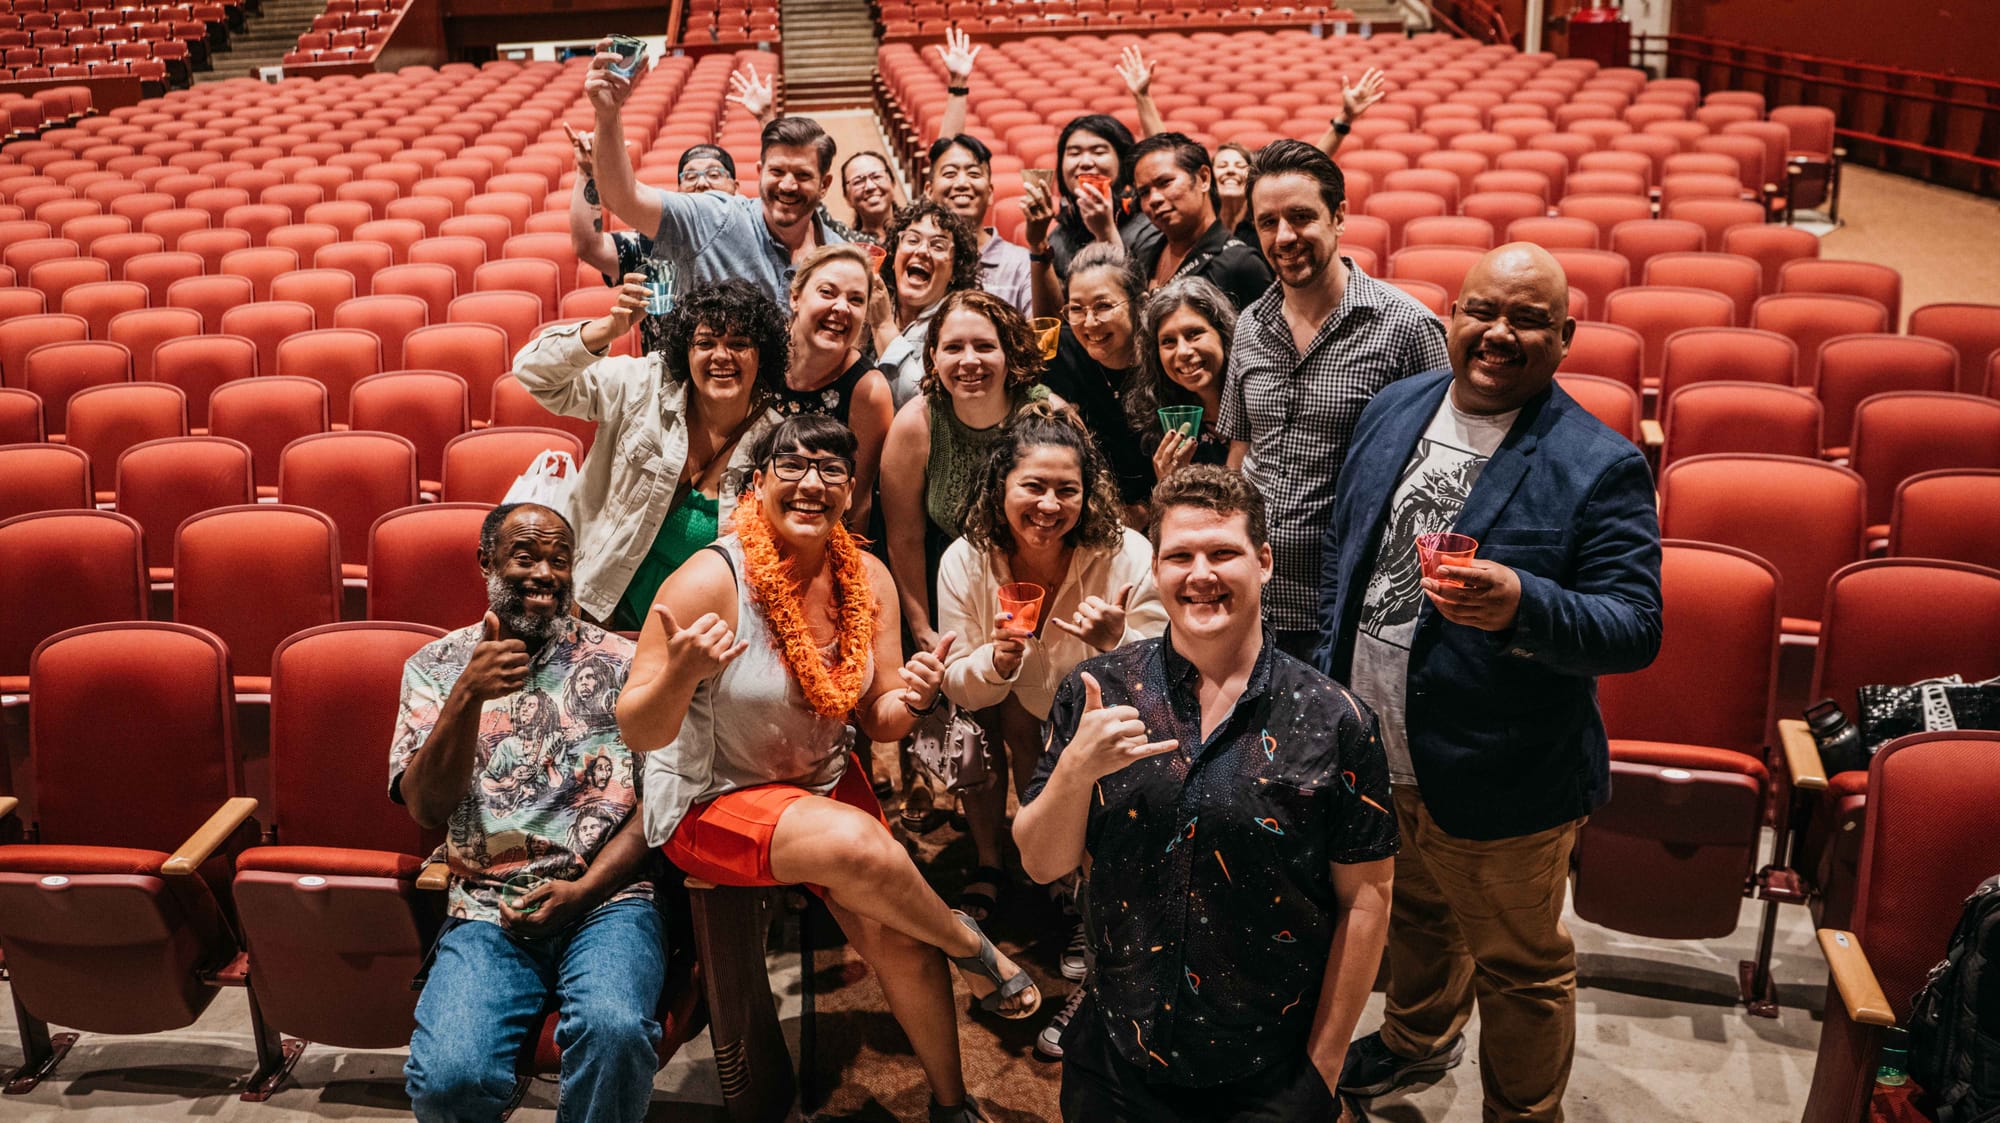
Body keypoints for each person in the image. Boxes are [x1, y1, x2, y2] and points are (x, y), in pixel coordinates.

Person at [1314, 244, 1663, 1123]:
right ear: (1453, 317)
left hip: (1503, 772)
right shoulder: (1395, 408)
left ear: (1565, 337)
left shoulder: (1599, 462)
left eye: (1528, 319)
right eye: (1482, 310)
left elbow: (1634, 626)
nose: (1499, 332)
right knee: (1417, 917)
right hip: (1379, 750)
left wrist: (1523, 604)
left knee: (1520, 970)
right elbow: (1344, 562)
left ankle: (1522, 1113)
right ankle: (1417, 1038)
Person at [619, 413, 1043, 1123]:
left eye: (832, 470)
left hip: (820, 779)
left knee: (899, 932)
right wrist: (680, 673)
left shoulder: (867, 576)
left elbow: (878, 718)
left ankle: (951, 1104)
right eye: (792, 466)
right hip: (713, 795)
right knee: (860, 845)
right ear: (757, 483)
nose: (812, 484)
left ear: (852, 490)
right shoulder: (709, 578)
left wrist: (915, 697)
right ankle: (970, 942)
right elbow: (637, 727)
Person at [1014, 466, 1394, 1123]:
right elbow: (1042, 863)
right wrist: (1076, 767)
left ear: (1264, 561)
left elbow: (1366, 898)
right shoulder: (1099, 690)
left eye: (1222, 553)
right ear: (1155, 569)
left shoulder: (1337, 720)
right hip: (1115, 1053)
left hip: (1265, 1069)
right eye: (1179, 556)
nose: (1200, 574)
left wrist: (1323, 1069)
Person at [392, 502, 662, 1123]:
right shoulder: (435, 667)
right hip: (489, 905)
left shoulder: (624, 663)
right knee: (447, 1079)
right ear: (486, 562)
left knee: (615, 1031)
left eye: (559, 560)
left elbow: (659, 805)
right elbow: (426, 808)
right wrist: (466, 696)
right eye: (525, 557)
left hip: (608, 899)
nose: (545, 573)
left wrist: (584, 890)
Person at [933, 401, 1165, 957]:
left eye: (1067, 490)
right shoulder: (965, 560)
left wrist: (1118, 639)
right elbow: (959, 683)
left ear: (1087, 495)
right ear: (1000, 487)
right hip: (1024, 708)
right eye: (1033, 487)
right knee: (1013, 727)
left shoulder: (1126, 553)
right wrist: (997, 661)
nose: (1049, 505)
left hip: (1115, 718)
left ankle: (1096, 905)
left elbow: (1167, 668)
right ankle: (1041, 876)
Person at [1219, 138, 1449, 660]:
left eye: (1301, 217)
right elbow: (1241, 450)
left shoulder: (1407, 327)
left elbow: (1441, 474)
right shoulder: (1251, 324)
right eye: (1268, 222)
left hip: (1349, 605)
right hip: (1255, 596)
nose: (1284, 236)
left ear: (1339, 215)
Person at [515, 276, 786, 631]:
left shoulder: (776, 440)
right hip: (601, 612)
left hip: (701, 632)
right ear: (685, 351)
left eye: (739, 344)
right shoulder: (644, 384)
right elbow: (533, 373)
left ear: (762, 355)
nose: (721, 356)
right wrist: (609, 328)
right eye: (705, 343)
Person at [586, 39, 845, 310]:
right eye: (777, 172)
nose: (788, 185)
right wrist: (608, 114)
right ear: (760, 173)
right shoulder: (716, 218)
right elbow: (623, 198)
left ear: (824, 185)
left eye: (802, 176)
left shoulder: (840, 254)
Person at [879, 289, 1056, 658]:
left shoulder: (1047, 414)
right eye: (954, 348)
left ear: (1009, 354)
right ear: (933, 357)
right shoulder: (916, 425)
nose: (969, 361)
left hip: (1043, 592)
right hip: (954, 598)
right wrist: (922, 630)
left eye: (985, 346)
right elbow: (904, 539)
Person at [566, 127, 740, 355]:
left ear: (735, 187)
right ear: (678, 191)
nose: (701, 183)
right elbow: (589, 246)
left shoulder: (757, 238)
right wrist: (588, 172)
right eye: (689, 176)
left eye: (714, 174)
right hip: (665, 375)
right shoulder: (650, 244)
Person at [927, 30, 1053, 317]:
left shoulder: (1020, 263)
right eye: (950, 174)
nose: (962, 183)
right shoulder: (920, 257)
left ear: (991, 193)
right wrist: (957, 88)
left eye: (974, 174)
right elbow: (942, 157)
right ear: (928, 190)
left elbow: (1042, 330)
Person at [774, 243, 897, 530]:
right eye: (827, 292)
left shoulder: (869, 391)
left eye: (856, 300)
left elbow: (857, 505)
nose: (841, 307)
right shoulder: (761, 354)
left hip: (818, 536)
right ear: (795, 297)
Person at [1041, 242, 1154, 525]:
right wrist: (1040, 394)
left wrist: (1147, 510)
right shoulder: (1059, 353)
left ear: (1140, 304)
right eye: (1076, 309)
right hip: (1077, 517)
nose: (1089, 323)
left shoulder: (1163, 361)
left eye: (1103, 306)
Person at [1020, 112, 1162, 318]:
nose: (1085, 162)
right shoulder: (1060, 236)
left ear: (1123, 162)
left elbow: (1138, 314)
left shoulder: (1150, 226)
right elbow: (1052, 319)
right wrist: (1038, 244)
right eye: (1074, 153)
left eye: (1099, 151)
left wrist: (1105, 232)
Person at [1125, 132, 1272, 310]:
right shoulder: (1145, 253)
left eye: (1165, 182)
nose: (1153, 199)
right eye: (1144, 192)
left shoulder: (1241, 264)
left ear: (1203, 178)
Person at [874, 198, 983, 408]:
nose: (922, 251)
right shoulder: (875, 305)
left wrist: (882, 326)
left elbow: (924, 407)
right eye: (912, 240)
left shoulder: (958, 324)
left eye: (938, 245)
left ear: (955, 271)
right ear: (895, 255)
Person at [1130, 276, 1236, 477]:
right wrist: (1168, 482)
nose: (1183, 352)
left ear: (1223, 334)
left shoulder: (1257, 400)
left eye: (1194, 334)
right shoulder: (1163, 419)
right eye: (1168, 341)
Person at [841, 150, 902, 246]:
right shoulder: (849, 246)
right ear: (847, 198)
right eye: (858, 182)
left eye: (876, 177)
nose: (870, 186)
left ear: (893, 183)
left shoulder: (916, 228)